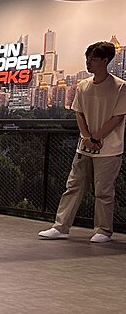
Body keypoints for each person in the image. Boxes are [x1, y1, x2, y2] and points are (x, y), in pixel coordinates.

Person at [39, 41, 126, 243]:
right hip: (85, 147)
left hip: (109, 149)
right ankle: (60, 227)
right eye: (87, 58)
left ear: (106, 60)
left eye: (93, 59)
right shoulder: (83, 86)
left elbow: (118, 118)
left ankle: (103, 230)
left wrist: (96, 137)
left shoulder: (120, 87)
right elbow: (79, 113)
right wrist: (87, 137)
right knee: (73, 187)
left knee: (103, 191)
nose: (89, 62)